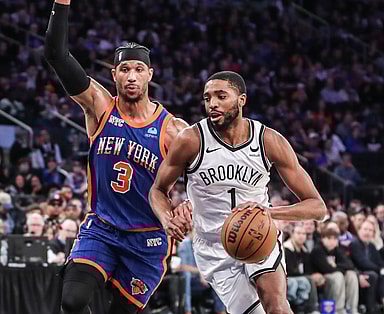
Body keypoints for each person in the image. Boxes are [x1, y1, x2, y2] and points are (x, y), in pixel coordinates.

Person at [44, 1, 188, 313]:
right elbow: (57, 55)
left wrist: (191, 206)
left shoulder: (173, 130)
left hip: (147, 240)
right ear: (114, 74)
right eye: (124, 69)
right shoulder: (100, 107)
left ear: (150, 74)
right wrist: (62, 3)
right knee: (72, 300)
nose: (131, 77)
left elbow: (205, 171)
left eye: (138, 69)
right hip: (103, 228)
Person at [149, 71, 326, 314]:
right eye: (207, 98)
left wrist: (268, 213)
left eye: (221, 96)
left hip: (258, 232)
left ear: (241, 99)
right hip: (214, 246)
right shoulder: (191, 139)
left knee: (276, 306)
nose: (213, 104)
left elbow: (317, 207)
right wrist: (167, 218)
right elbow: (158, 190)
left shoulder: (268, 141)